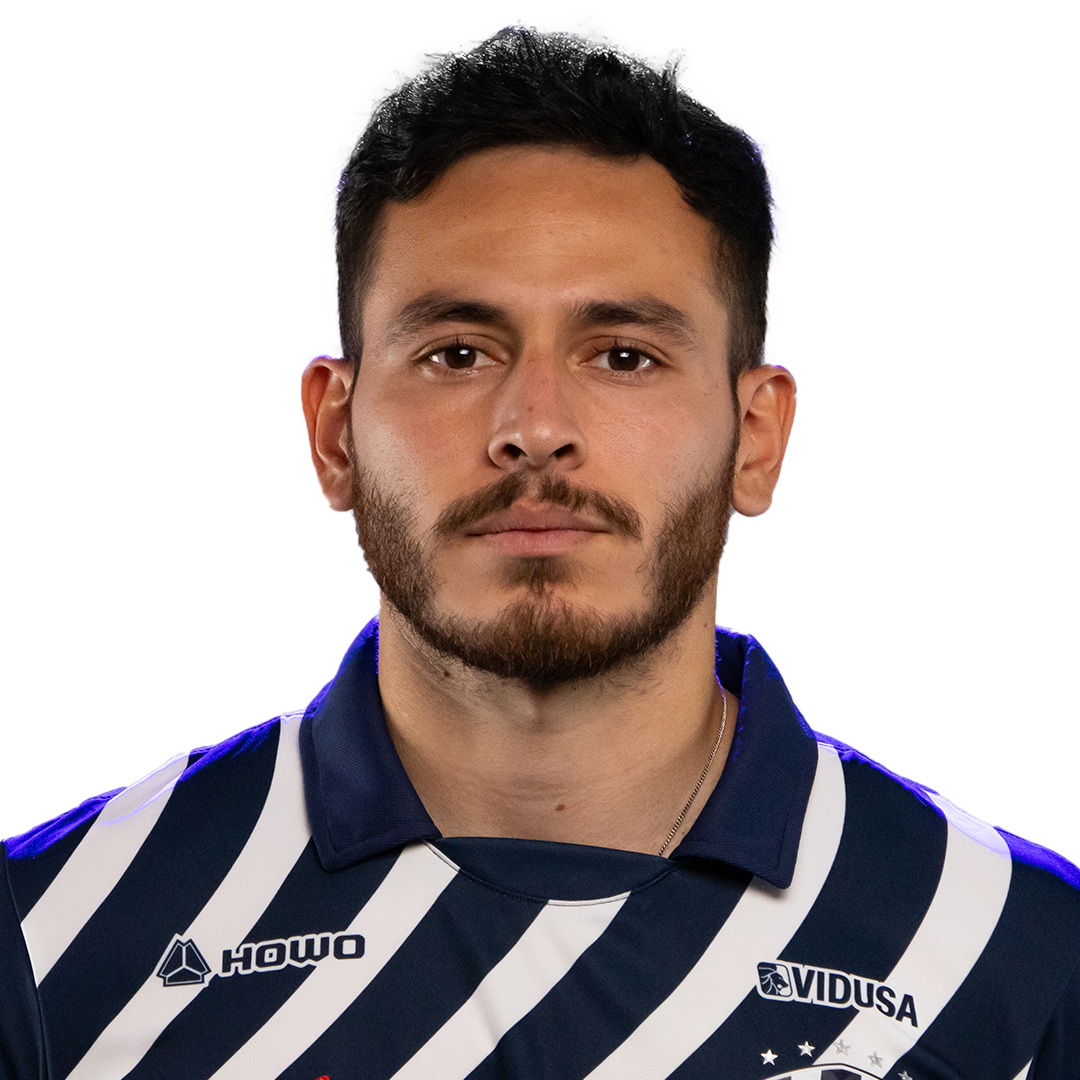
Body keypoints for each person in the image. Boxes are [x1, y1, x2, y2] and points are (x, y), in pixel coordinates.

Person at [2, 27, 1078, 1080]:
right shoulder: (49, 942)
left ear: (755, 438)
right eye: (457, 352)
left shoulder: (1023, 962)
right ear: (335, 433)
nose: (535, 427)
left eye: (624, 355)